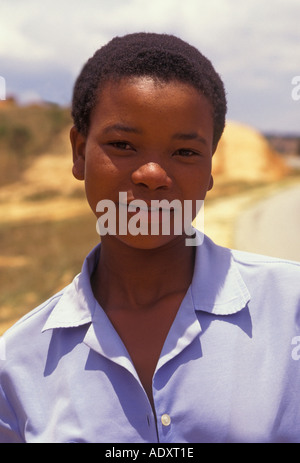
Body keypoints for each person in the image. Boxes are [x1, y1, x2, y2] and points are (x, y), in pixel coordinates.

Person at [1, 32, 300, 444]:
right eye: (123, 145)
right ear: (78, 152)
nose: (153, 176)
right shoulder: (17, 365)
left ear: (211, 168)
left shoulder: (290, 310)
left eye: (184, 152)